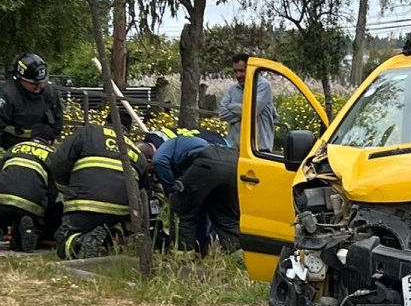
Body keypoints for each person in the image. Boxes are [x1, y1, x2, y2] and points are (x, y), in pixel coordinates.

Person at [48, 111, 149, 259]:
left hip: (84, 206)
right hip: (119, 213)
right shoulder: (136, 151)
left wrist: (65, 189)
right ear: (129, 129)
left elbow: (59, 162)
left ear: (106, 121)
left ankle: (78, 241)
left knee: (65, 243)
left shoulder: (88, 132)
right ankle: (111, 237)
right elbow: (143, 189)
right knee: (107, 233)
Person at [152, 135, 240, 254]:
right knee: (226, 217)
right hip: (235, 165)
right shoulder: (192, 143)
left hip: (208, 161)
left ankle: (182, 255)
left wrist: (171, 187)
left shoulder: (165, 147)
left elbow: (159, 161)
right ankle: (235, 255)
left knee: (183, 209)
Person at [0, 124, 57, 252]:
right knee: (36, 225)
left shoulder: (14, 148)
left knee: (5, 215)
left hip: (2, 199)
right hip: (29, 205)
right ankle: (30, 231)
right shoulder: (51, 155)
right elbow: (53, 192)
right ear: (50, 142)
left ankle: (4, 230)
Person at [0, 53, 64, 149]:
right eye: (34, 84)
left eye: (42, 82)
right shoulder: (6, 96)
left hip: (41, 148)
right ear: (20, 78)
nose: (39, 87)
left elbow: (57, 124)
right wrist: (31, 134)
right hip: (10, 151)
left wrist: (48, 135)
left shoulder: (49, 93)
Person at [219, 53, 276, 151]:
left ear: (249, 70)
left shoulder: (263, 86)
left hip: (259, 148)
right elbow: (222, 113)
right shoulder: (233, 89)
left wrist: (231, 107)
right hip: (236, 148)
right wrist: (244, 112)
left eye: (241, 71)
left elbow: (253, 110)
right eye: (235, 71)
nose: (238, 75)